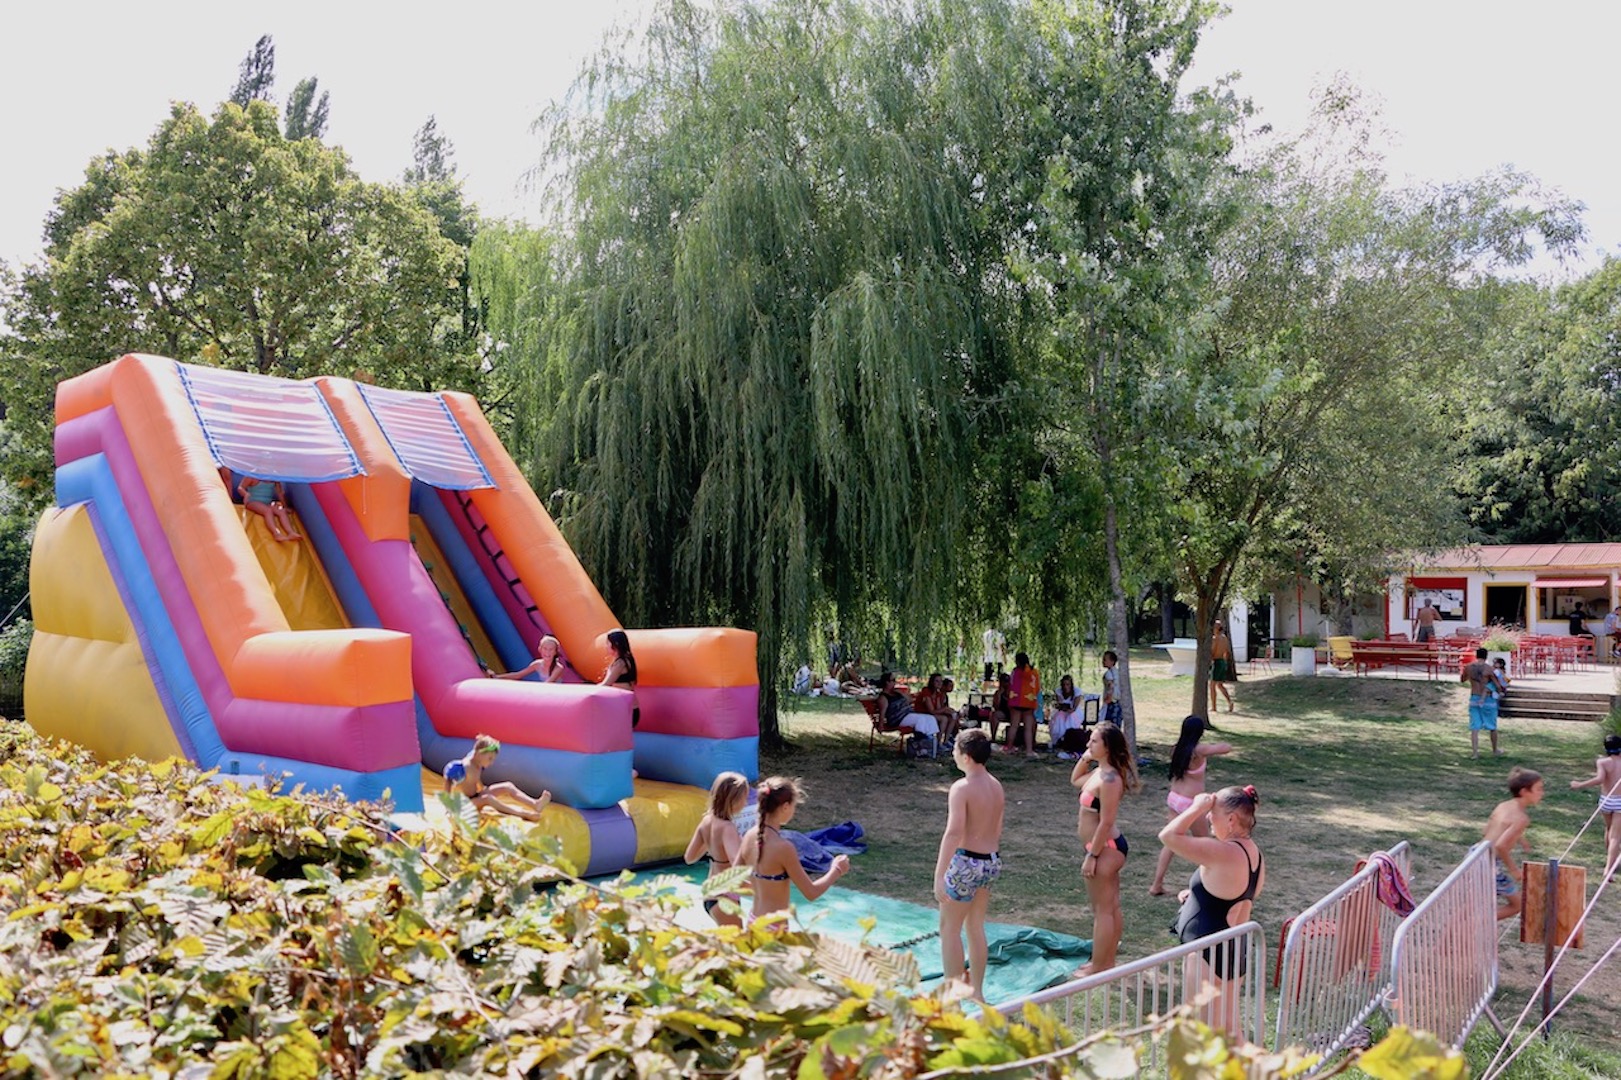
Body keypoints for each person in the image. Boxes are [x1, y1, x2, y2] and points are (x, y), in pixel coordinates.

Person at [1160, 786, 1265, 1039]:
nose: (1208, 817)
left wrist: (1196, 806)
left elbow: (1168, 836)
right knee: (1230, 1033)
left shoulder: (1223, 851)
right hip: (1234, 950)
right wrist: (1195, 896)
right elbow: (1233, 894)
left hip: (1207, 952)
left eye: (1212, 813)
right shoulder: (1254, 854)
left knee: (1201, 1036)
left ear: (1231, 820)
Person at [935, 729, 1005, 1000]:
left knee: (949, 929)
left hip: (967, 861)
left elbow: (953, 832)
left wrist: (940, 874)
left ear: (965, 756)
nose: (953, 754)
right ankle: (977, 990)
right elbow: (997, 829)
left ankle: (952, 995)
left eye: (954, 750)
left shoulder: (961, 788)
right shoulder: (996, 785)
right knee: (975, 925)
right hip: (990, 861)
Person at [1070, 721, 1138, 975]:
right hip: (1102, 847)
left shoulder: (1110, 779)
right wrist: (1086, 758)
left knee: (1103, 909)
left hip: (1105, 848)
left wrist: (1092, 855)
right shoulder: (1100, 772)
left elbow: (1107, 820)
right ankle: (1106, 961)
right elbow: (1076, 779)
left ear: (1107, 747)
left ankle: (1099, 966)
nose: (1089, 744)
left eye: (1094, 741)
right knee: (1109, 906)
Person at [738, 777, 851, 923]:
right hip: (774, 928)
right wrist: (837, 869)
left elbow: (735, 882)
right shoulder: (784, 848)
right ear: (785, 807)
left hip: (754, 921)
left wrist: (764, 886)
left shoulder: (749, 835)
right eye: (794, 806)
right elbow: (811, 892)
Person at [1150, 715, 1233, 897]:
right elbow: (1226, 748)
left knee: (1170, 842)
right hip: (1190, 802)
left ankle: (1156, 884)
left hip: (1174, 798)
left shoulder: (1176, 749)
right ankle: (1209, 886)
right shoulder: (1199, 750)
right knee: (1205, 845)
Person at [685, 771, 750, 926]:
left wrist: (713, 846)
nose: (746, 803)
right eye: (744, 799)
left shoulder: (707, 821)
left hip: (710, 893)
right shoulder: (728, 828)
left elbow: (689, 858)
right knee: (737, 944)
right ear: (732, 801)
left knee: (726, 942)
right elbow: (737, 865)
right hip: (724, 895)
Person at [442, 734, 552, 822]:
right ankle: (523, 814)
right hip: (466, 804)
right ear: (479, 754)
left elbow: (476, 778)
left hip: (476, 796)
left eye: (493, 759)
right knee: (488, 799)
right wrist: (448, 807)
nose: (492, 762)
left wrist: (482, 788)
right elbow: (448, 782)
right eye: (490, 758)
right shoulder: (463, 767)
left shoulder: (478, 762)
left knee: (507, 786)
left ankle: (535, 804)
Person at [1484, 767, 1544, 921]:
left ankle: (1474, 922)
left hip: (1476, 853)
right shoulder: (1521, 818)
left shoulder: (1503, 805)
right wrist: (1514, 870)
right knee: (1518, 904)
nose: (1542, 793)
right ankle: (1479, 922)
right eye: (1538, 789)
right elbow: (1501, 846)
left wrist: (1520, 838)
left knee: (1473, 903)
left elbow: (1491, 828)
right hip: (1488, 863)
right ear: (1524, 792)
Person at [1570, 735, 1621, 874]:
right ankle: (1609, 868)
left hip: (1606, 800)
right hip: (1619, 801)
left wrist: (1579, 784)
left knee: (1609, 829)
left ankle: (1611, 858)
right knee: (1616, 836)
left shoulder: (1602, 762)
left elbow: (1599, 779)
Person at [876, 672, 941, 749]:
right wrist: (880, 725)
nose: (895, 682)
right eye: (893, 680)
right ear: (887, 682)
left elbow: (910, 700)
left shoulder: (896, 693)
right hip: (898, 719)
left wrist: (901, 693)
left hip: (908, 714)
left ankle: (931, 739)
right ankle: (921, 740)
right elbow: (882, 712)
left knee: (930, 718)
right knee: (920, 719)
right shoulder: (883, 697)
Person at [1461, 648, 1501, 758]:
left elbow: (1462, 679)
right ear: (1486, 656)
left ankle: (1475, 753)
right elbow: (1497, 685)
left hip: (1474, 697)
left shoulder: (1468, 667)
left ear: (1476, 655)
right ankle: (1495, 750)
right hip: (1487, 699)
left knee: (1474, 727)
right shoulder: (1489, 669)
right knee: (1492, 726)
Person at [236, 475, 302, 542]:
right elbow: (240, 487)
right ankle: (276, 533)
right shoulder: (252, 476)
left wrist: (285, 506)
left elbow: (280, 493)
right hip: (253, 502)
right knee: (268, 511)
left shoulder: (274, 478)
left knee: (281, 511)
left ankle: (291, 532)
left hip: (267, 503)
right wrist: (245, 494)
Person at [600, 629, 640, 727]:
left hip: (627, 709)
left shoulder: (621, 663)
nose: (606, 646)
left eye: (607, 643)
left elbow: (606, 684)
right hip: (625, 708)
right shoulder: (621, 661)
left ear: (615, 644)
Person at [490, 634, 570, 683]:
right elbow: (518, 675)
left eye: (551, 650)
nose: (547, 653)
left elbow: (548, 684)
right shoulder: (537, 664)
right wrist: (497, 677)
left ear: (555, 652)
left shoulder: (558, 668)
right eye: (545, 649)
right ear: (540, 650)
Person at [1006, 652, 1041, 757]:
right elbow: (1038, 687)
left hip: (1016, 700)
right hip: (1028, 702)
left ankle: (1009, 747)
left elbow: (1010, 684)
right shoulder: (1034, 672)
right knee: (1028, 728)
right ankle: (1029, 751)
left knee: (1014, 726)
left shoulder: (1015, 671)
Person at [912, 673, 960, 744]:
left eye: (941, 681)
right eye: (937, 681)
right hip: (922, 714)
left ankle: (946, 742)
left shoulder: (937, 694)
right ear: (932, 682)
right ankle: (938, 743)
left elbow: (939, 709)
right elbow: (931, 711)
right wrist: (945, 709)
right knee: (944, 719)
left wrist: (949, 711)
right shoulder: (926, 691)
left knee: (953, 718)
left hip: (930, 714)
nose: (939, 683)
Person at [1049, 674, 1083, 757]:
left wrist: (1070, 709)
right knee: (1059, 717)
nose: (1066, 686)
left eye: (1068, 684)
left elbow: (1075, 707)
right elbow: (1060, 703)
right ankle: (1058, 738)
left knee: (1070, 717)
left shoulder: (1077, 691)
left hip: (1074, 712)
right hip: (1063, 711)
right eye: (1064, 684)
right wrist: (1062, 707)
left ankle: (1069, 738)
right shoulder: (1059, 691)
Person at [1209, 623, 1236, 714]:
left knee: (1212, 686)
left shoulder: (1215, 638)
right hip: (1223, 662)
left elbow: (1212, 651)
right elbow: (1227, 652)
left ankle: (1214, 707)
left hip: (1216, 662)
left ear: (1217, 628)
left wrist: (1210, 660)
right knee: (1220, 685)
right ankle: (1229, 702)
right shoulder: (1224, 638)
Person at [1100, 650, 1122, 725]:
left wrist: (1108, 699)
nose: (1103, 661)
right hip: (1118, 702)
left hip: (1111, 702)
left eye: (1105, 660)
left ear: (1112, 661)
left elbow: (1111, 686)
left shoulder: (1108, 674)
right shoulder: (1118, 672)